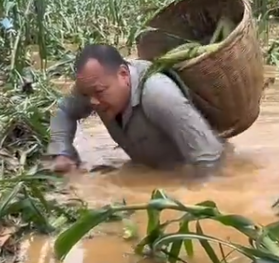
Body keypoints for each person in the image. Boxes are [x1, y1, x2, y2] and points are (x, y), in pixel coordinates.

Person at [48, 43, 224, 173]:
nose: (92, 102)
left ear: (123, 75)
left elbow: (209, 159)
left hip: (187, 169)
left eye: (99, 92)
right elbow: (63, 111)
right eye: (86, 95)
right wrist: (63, 152)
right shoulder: (93, 89)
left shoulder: (158, 94)